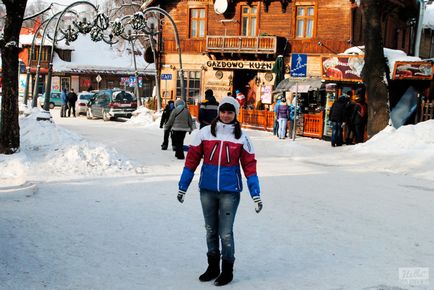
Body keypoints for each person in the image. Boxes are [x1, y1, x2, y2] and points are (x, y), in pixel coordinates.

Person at [177, 96, 262, 286]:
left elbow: (250, 166)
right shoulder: (205, 133)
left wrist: (255, 193)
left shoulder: (242, 137)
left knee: (225, 232)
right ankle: (213, 267)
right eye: (223, 111)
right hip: (207, 190)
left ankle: (227, 270)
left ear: (235, 114)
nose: (225, 115)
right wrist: (183, 186)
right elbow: (191, 160)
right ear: (219, 112)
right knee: (210, 230)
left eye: (230, 112)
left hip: (229, 192)